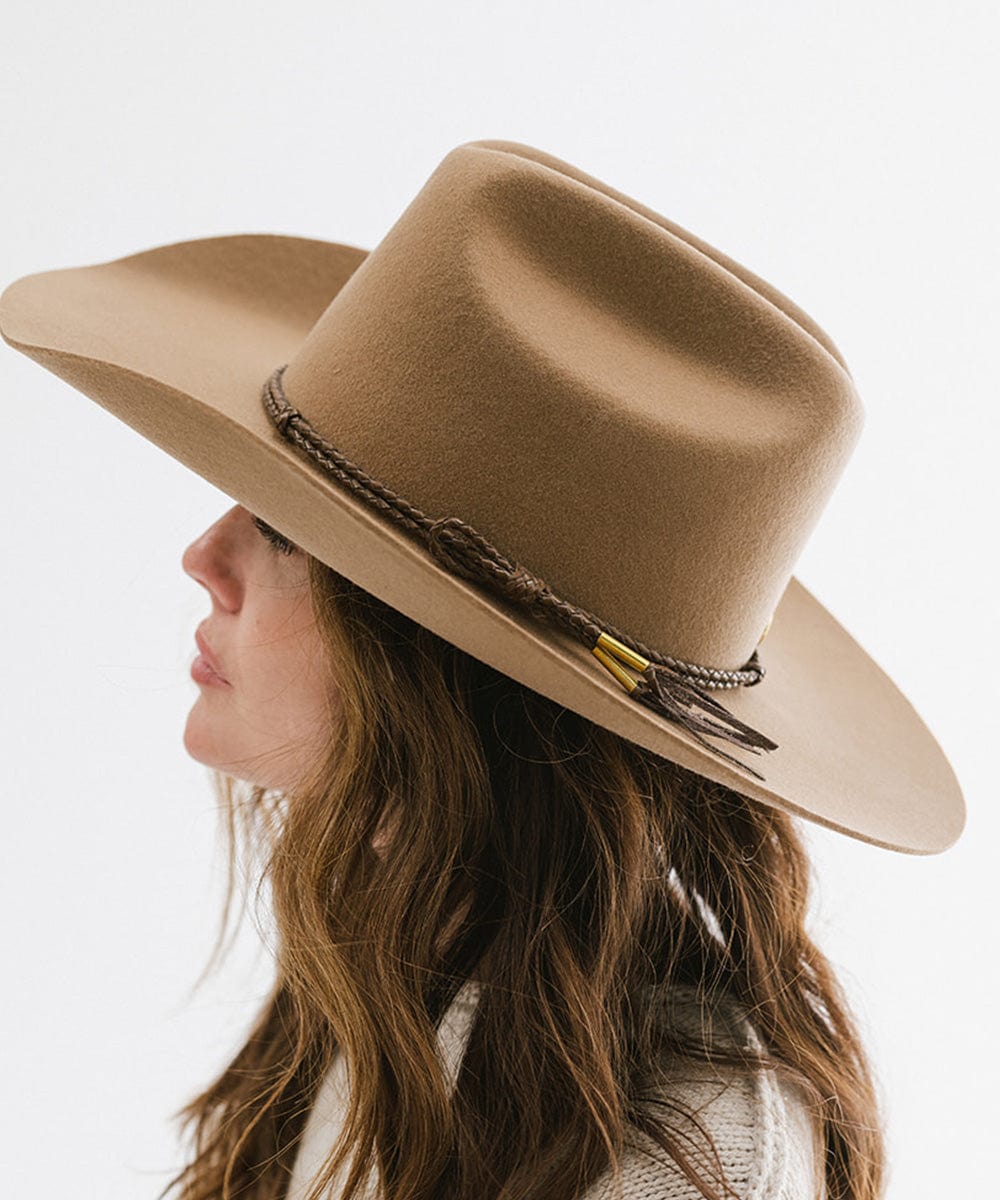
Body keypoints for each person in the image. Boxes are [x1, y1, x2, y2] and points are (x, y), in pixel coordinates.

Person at [0, 138, 965, 1200]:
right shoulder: (412, 969)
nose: (203, 558)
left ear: (433, 660)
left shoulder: (679, 1161)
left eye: (280, 526)